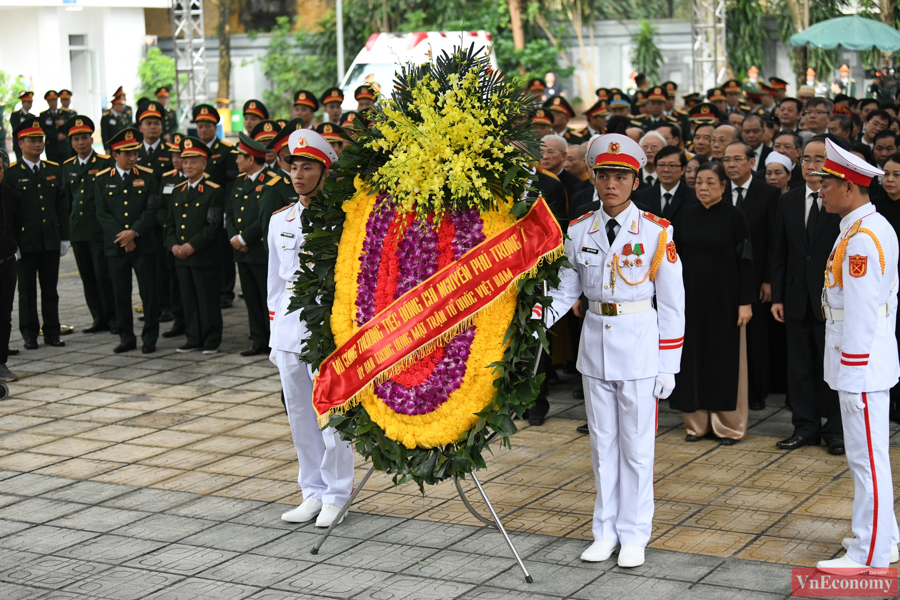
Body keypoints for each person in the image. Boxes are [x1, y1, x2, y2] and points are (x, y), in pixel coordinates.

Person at [544, 133, 685, 568]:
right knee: (603, 447)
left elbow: (673, 302)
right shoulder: (578, 229)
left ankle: (636, 533)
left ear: (635, 180)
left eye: (620, 177)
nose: (611, 185)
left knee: (638, 449)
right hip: (594, 348)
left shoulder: (657, 231)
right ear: (594, 178)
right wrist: (534, 321)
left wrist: (668, 364)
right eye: (603, 175)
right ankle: (604, 531)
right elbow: (567, 288)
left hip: (640, 346)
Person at [815, 138, 899, 573]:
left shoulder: (863, 237)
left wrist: (851, 369)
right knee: (869, 457)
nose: (820, 191)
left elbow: (865, 312)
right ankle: (886, 537)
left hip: (861, 366)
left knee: (866, 461)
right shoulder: (862, 227)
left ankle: (871, 553)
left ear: (848, 186)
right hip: (863, 361)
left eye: (826, 184)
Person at [270, 128, 354, 528]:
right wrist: (274, 336)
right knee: (300, 416)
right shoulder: (279, 221)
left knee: (332, 417)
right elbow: (275, 285)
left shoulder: (345, 218)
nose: (298, 175)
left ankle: (338, 494)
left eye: (307, 168)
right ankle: (312, 491)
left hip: (328, 330)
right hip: (289, 333)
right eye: (294, 167)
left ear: (325, 172)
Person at [670, 161, 754, 444]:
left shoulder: (734, 216)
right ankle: (696, 425)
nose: (703, 187)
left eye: (710, 182)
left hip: (726, 301)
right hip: (690, 300)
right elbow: (673, 261)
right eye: (699, 182)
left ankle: (728, 426)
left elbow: (746, 262)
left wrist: (745, 302)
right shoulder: (685, 216)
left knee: (723, 361)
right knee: (692, 360)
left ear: (723, 186)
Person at [771, 135, 844, 454]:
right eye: (807, 159)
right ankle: (805, 426)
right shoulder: (788, 199)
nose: (812, 166)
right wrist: (777, 296)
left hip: (832, 301)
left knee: (833, 366)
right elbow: (780, 250)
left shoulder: (841, 200)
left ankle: (837, 430)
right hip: (796, 296)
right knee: (799, 365)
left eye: (820, 159)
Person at [723, 141, 781, 410]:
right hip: (724, 278)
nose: (731, 165)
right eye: (726, 160)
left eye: (737, 159)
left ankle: (757, 393)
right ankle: (729, 390)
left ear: (751, 162)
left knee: (756, 338)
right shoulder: (718, 189)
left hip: (757, 279)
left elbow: (774, 240)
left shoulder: (768, 194)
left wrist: (769, 279)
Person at [95, 128, 160, 354]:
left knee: (149, 292)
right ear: (115, 155)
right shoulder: (102, 179)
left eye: (135, 153)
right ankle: (126, 336)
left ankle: (150, 337)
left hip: (143, 244)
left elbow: (152, 209)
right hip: (116, 246)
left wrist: (134, 232)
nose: (132, 158)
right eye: (127, 153)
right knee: (120, 293)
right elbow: (101, 213)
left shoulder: (147, 176)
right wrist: (124, 237)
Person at [10, 119, 68, 350]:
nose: (38, 144)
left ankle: (52, 331)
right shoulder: (13, 174)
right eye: (32, 140)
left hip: (50, 239)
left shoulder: (53, 169)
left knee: (50, 289)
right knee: (26, 291)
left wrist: (64, 236)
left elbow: (61, 205)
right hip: (25, 242)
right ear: (20, 143)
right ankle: (30, 333)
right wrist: (12, 241)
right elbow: (9, 212)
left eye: (40, 140)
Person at [165, 136, 225, 355]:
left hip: (203, 256)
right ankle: (193, 338)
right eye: (185, 160)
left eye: (193, 161)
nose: (188, 165)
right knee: (188, 299)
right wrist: (173, 246)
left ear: (204, 164)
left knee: (207, 299)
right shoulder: (178, 191)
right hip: (181, 256)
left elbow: (213, 225)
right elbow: (169, 224)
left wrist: (192, 246)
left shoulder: (213, 190)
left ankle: (211, 340)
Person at [62, 116, 117, 335]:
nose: (80, 143)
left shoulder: (104, 163)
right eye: (76, 139)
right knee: (87, 276)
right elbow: (66, 200)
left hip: (98, 230)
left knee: (103, 275)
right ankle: (98, 318)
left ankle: (113, 318)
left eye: (84, 138)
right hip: (78, 230)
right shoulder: (68, 167)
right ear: (71, 142)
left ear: (91, 139)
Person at [226, 133, 274, 356]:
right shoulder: (239, 182)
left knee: (266, 299)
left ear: (252, 158)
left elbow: (266, 216)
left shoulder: (271, 182)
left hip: (260, 251)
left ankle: (272, 340)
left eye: (241, 157)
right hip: (241, 252)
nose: (237, 161)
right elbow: (230, 213)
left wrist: (244, 238)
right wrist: (234, 238)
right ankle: (258, 340)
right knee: (251, 298)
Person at [191, 103, 238, 309]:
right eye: (200, 126)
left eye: (208, 126)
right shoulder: (193, 151)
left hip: (220, 207)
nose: (203, 130)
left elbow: (230, 183)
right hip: (200, 209)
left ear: (215, 127)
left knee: (224, 251)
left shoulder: (226, 150)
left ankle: (226, 291)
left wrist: (227, 209)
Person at [158, 135, 187, 339]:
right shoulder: (167, 178)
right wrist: (167, 225)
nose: (176, 160)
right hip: (171, 237)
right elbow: (159, 206)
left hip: (189, 239)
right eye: (174, 156)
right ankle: (178, 319)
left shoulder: (195, 178)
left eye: (180, 156)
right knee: (173, 282)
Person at [259, 119, 304, 242]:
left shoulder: (311, 181)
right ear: (284, 156)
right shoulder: (273, 189)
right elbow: (270, 236)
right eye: (297, 149)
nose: (303, 153)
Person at [633, 145, 698, 228]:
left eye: (672, 165)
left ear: (683, 169)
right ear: (655, 168)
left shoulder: (693, 197)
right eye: (661, 165)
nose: (666, 170)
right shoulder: (642, 195)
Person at [0, 160, 23, 382]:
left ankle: (1, 362)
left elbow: (17, 227)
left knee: (4, 316)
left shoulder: (12, 196)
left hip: (6, 264)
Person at [39, 91, 68, 164]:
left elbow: (70, 124)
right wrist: (56, 135)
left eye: (54, 101)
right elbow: (44, 129)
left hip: (64, 146)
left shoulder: (64, 112)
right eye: (50, 101)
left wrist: (63, 122)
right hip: (52, 147)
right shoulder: (43, 115)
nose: (53, 103)